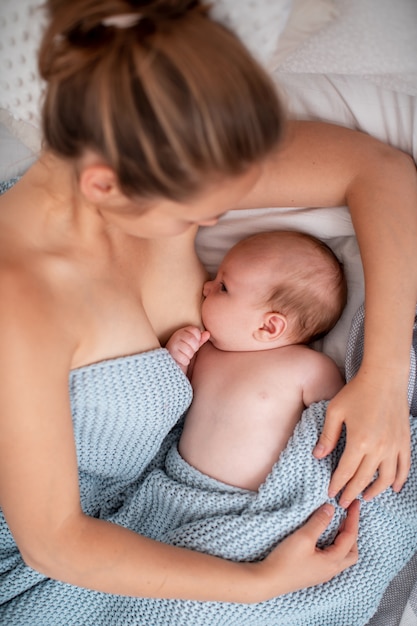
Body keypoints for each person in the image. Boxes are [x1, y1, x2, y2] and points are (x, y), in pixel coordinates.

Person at [0, 0, 416, 623]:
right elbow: (56, 542)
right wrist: (259, 583)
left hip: (171, 502)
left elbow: (381, 172)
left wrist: (380, 375)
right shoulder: (22, 303)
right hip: (52, 556)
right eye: (195, 215)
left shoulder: (176, 150)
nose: (213, 225)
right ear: (105, 186)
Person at [166, 230, 346, 490]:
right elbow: (171, 398)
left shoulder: (308, 368)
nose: (206, 287)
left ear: (269, 326)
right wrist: (178, 357)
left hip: (254, 503)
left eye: (223, 287)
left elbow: (342, 425)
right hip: (179, 486)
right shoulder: (205, 353)